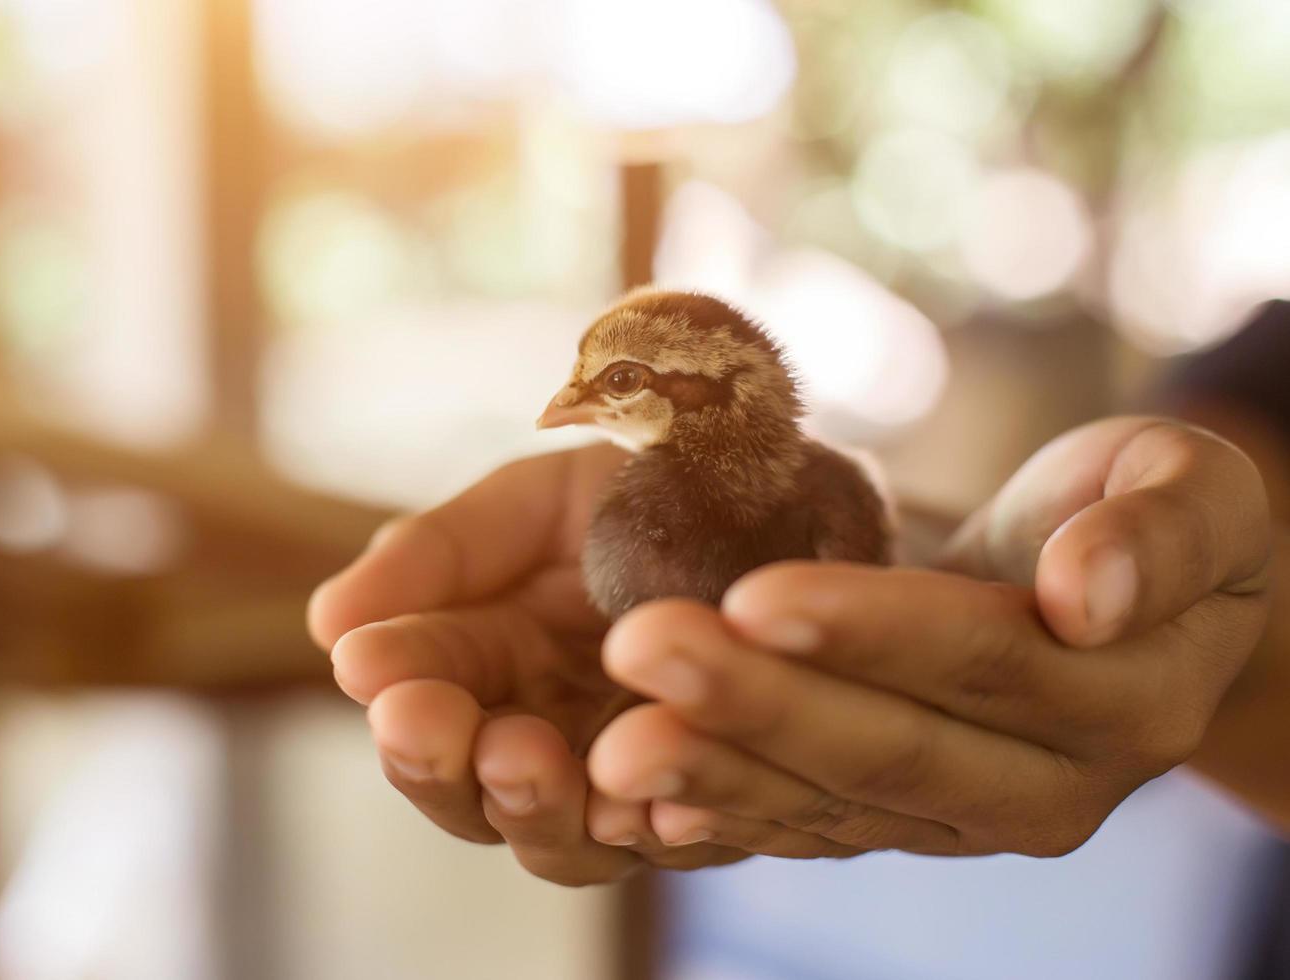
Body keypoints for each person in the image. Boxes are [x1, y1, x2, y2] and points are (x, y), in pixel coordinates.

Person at [308, 302, 1290, 977]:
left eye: (611, 384)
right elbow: (1233, 475)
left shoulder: (811, 506)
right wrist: (1171, 593)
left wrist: (1227, 655)